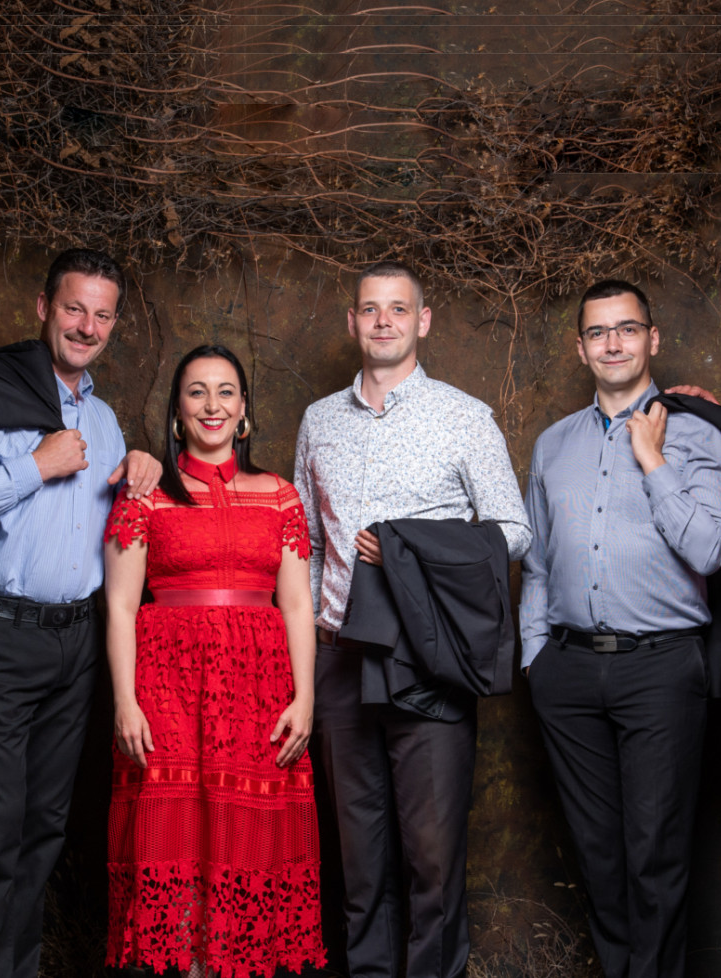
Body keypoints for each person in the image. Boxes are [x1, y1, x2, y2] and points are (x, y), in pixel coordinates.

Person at [0, 249, 160, 978]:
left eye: (102, 315)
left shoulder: (106, 422)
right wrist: (33, 466)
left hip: (76, 641)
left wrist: (142, 467)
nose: (86, 326)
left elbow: (117, 526)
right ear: (44, 309)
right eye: (74, 308)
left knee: (45, 824)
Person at [294, 261, 531, 978]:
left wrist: (409, 547)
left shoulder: (464, 417)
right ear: (352, 322)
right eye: (370, 309)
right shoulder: (319, 421)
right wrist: (315, 642)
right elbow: (308, 545)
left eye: (398, 309)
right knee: (358, 859)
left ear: (422, 321)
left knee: (432, 858)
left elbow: (512, 530)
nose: (384, 321)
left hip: (427, 659)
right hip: (340, 659)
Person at [519, 280, 721, 978]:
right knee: (598, 856)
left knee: (654, 856)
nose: (612, 343)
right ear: (580, 348)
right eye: (598, 332)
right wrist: (535, 659)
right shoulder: (552, 445)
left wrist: (653, 458)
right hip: (567, 673)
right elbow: (537, 562)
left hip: (661, 669)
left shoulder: (700, 434)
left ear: (652, 339)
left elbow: (710, 549)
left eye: (627, 329)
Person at [102, 344, 324, 978]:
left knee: (247, 837)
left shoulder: (279, 496)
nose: (212, 405)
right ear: (177, 410)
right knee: (173, 834)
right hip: (166, 691)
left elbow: (297, 605)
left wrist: (304, 697)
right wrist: (125, 702)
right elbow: (120, 605)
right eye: (196, 391)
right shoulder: (146, 495)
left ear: (244, 408)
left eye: (225, 391)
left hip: (258, 693)